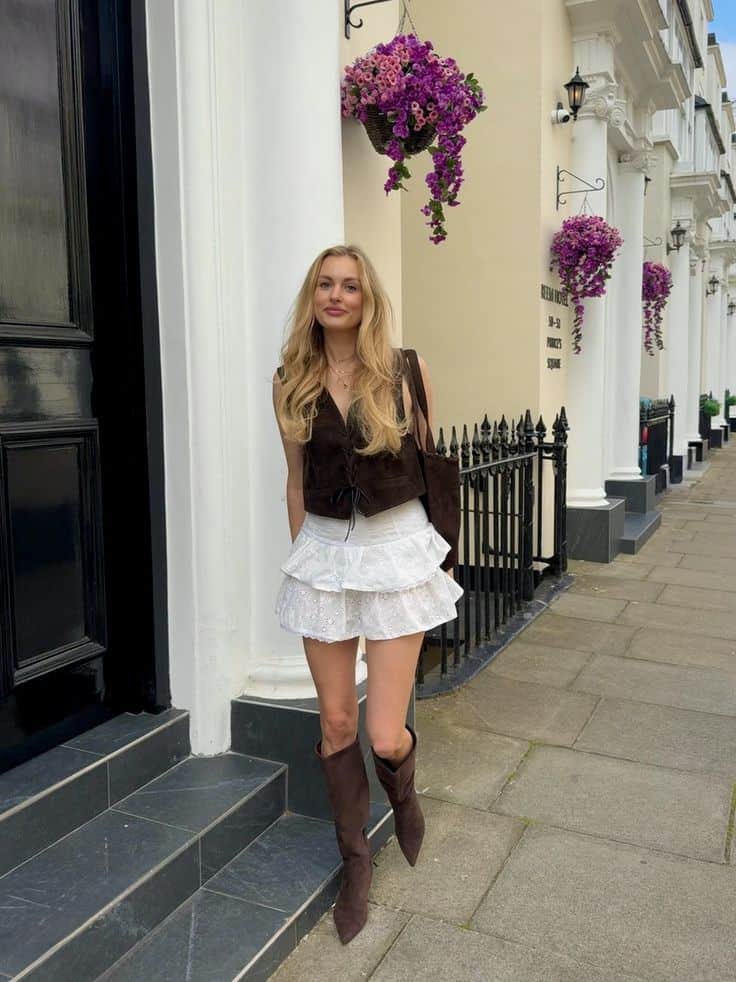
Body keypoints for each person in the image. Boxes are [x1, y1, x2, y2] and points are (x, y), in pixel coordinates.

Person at [271, 244, 463, 944]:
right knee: (335, 724)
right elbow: (295, 480)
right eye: (325, 283)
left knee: (383, 731)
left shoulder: (404, 370)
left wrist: (442, 556)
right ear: (312, 296)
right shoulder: (290, 379)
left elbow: (432, 462)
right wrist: (303, 557)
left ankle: (403, 796)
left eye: (350, 285)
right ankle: (356, 860)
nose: (336, 295)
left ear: (367, 297)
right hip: (325, 552)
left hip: (396, 550)